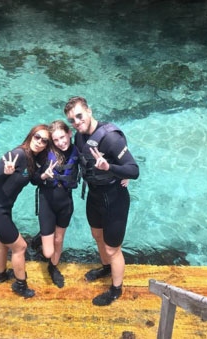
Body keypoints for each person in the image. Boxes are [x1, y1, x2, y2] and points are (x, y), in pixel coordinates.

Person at [64, 97, 139, 306]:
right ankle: (106, 268)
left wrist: (110, 168)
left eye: (79, 116)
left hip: (114, 197)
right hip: (94, 195)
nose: (77, 122)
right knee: (97, 236)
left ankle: (116, 290)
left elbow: (133, 170)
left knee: (112, 248)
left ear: (89, 111)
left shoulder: (111, 138)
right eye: (72, 120)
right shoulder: (79, 138)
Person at [0, 124, 50, 298]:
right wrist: (4, 172)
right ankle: (20, 285)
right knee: (20, 247)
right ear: (30, 136)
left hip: (1, 209)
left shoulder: (31, 158)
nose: (39, 142)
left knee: (3, 243)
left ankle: (1, 274)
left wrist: (43, 176)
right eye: (37, 137)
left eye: (44, 141)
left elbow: (32, 179)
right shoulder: (17, 154)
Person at [35, 120, 80, 288]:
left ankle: (53, 267)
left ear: (69, 133)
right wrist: (43, 176)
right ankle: (41, 238)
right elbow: (33, 178)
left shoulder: (78, 149)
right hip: (47, 202)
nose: (61, 142)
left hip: (66, 203)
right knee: (47, 251)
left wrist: (123, 174)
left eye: (63, 137)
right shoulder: (44, 154)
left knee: (59, 238)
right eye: (56, 140)